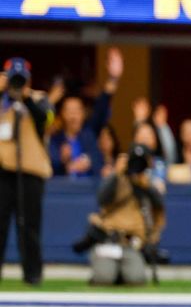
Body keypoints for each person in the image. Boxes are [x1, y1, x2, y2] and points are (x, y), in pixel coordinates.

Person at [85, 142, 165, 286]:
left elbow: (159, 204)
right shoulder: (116, 180)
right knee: (103, 279)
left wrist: (146, 184)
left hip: (131, 244)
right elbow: (101, 199)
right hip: (109, 240)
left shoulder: (146, 185)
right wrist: (116, 174)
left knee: (136, 279)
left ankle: (120, 272)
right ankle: (109, 269)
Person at [0, 58, 51, 285]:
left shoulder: (39, 99)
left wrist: (27, 96)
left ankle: (33, 274)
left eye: (21, 78)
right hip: (2, 172)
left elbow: (46, 118)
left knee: (29, 226)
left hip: (30, 172)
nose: (17, 82)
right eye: (13, 77)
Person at [48, 47, 122, 178]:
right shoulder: (55, 140)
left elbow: (102, 106)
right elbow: (50, 169)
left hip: (91, 194)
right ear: (62, 114)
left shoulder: (90, 133)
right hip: (63, 195)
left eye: (77, 111)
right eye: (69, 111)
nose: (73, 115)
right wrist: (64, 163)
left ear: (83, 113)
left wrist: (113, 78)